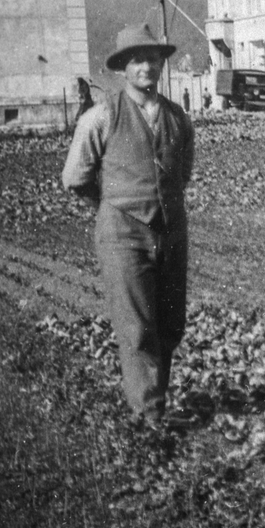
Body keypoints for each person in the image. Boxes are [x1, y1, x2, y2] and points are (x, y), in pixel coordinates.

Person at [61, 24, 195, 428]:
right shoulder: (99, 117)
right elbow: (75, 178)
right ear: (123, 68)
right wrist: (112, 208)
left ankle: (158, 400)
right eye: (137, 59)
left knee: (170, 323)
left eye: (153, 58)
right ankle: (149, 413)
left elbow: (182, 173)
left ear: (161, 63)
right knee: (137, 327)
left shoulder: (177, 117)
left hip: (171, 230)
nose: (146, 67)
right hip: (123, 234)